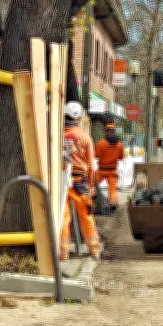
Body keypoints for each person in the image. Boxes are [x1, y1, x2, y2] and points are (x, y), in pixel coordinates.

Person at [61, 101, 100, 260]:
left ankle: (62, 252)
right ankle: (94, 249)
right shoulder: (84, 137)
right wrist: (91, 186)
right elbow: (91, 165)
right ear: (78, 117)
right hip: (80, 182)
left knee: (63, 218)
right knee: (86, 216)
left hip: (61, 181)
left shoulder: (58, 136)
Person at [95, 122, 125, 208]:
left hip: (101, 170)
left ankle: (89, 200)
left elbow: (96, 155)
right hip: (113, 171)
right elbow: (121, 157)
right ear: (114, 132)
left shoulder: (101, 143)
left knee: (92, 183)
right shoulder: (119, 145)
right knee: (112, 189)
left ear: (106, 132)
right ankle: (113, 203)